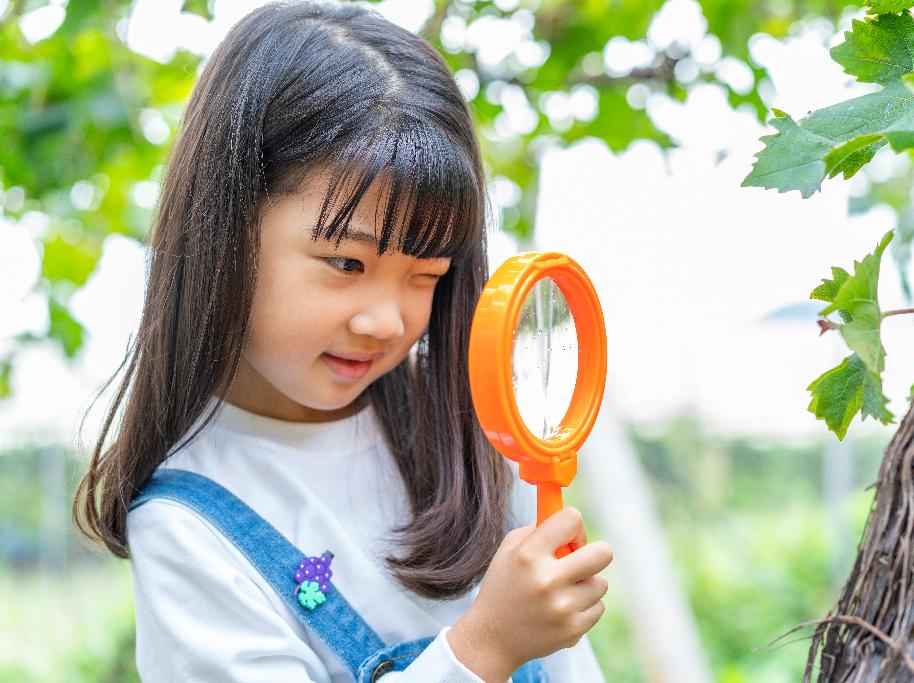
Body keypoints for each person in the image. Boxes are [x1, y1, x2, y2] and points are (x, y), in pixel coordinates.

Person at [70, 1, 613, 681]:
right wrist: (484, 649)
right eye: (347, 264)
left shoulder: (469, 436)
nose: (385, 320)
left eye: (427, 274)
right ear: (227, 232)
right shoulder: (187, 526)